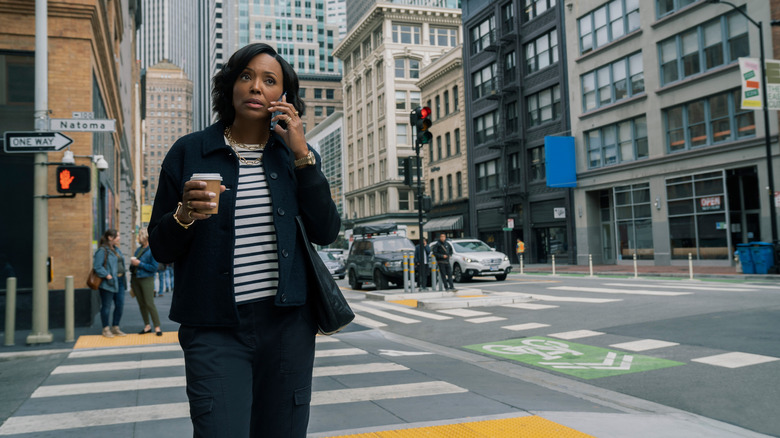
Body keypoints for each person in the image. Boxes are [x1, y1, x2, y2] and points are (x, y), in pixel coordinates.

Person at [148, 42, 340, 437]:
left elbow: (326, 230)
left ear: (283, 97)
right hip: (213, 328)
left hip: (288, 327)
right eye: (247, 76)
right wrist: (183, 214)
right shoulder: (189, 152)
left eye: (270, 80)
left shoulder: (294, 157)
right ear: (230, 86)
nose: (256, 87)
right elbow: (160, 248)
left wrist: (303, 154)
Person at [92, 229, 127, 337]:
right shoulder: (102, 251)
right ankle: (106, 329)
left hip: (120, 281)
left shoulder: (116, 249)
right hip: (108, 282)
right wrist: (107, 275)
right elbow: (97, 266)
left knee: (120, 305)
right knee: (106, 306)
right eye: (117, 236)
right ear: (110, 238)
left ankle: (115, 327)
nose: (119, 238)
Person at [130, 229, 163, 336]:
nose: (138, 237)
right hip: (135, 279)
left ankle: (157, 326)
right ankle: (147, 326)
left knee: (149, 303)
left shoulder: (151, 250)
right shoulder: (138, 249)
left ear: (145, 236)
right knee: (141, 304)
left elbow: (154, 268)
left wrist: (139, 264)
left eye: (139, 235)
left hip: (146, 279)